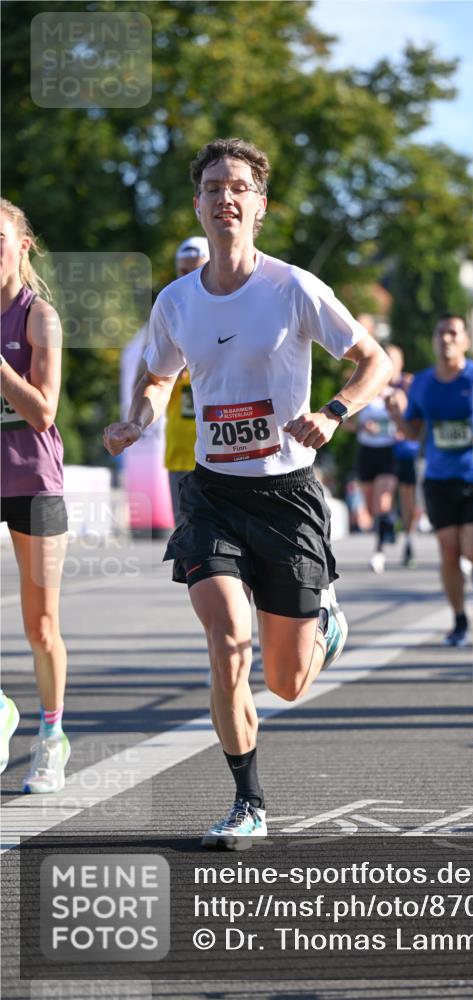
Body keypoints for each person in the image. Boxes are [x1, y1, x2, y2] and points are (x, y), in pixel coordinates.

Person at [103, 137, 392, 849]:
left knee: (288, 682)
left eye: (237, 187)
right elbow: (158, 375)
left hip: (286, 495)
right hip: (212, 497)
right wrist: (137, 418)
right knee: (227, 643)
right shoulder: (176, 302)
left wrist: (333, 412)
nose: (224, 198)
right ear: (198, 205)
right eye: (211, 188)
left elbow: (374, 360)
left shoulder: (293, 288)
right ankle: (247, 803)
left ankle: (323, 620)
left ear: (258, 207)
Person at [388, 314, 473, 648]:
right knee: (447, 551)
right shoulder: (423, 384)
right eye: (441, 333)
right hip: (438, 478)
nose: (446, 339)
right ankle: (459, 620)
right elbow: (415, 434)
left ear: (465, 341)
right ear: (434, 339)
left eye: (454, 334)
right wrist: (396, 416)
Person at [0, 198, 70, 791]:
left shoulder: (37, 316)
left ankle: (52, 735)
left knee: (40, 625)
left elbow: (42, 412)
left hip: (33, 482)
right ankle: (2, 709)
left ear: (22, 245)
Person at [163, 237, 209, 523]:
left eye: (197, 270)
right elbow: (146, 384)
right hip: (181, 454)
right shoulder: (169, 315)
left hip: (229, 455)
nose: (189, 278)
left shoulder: (234, 311)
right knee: (186, 540)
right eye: (183, 271)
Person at [354, 351, 400, 574]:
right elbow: (346, 423)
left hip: (387, 452)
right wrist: (362, 427)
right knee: (373, 510)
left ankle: (378, 552)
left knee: (382, 502)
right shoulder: (364, 392)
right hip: (366, 452)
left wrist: (393, 418)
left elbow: (405, 422)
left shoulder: (395, 394)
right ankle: (388, 522)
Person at [386, 344, 422, 569]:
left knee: (408, 496)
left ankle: (409, 539)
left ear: (400, 362)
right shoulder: (374, 382)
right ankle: (387, 524)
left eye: (393, 359)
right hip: (380, 449)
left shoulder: (409, 384)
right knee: (383, 499)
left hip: (407, 450)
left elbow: (417, 412)